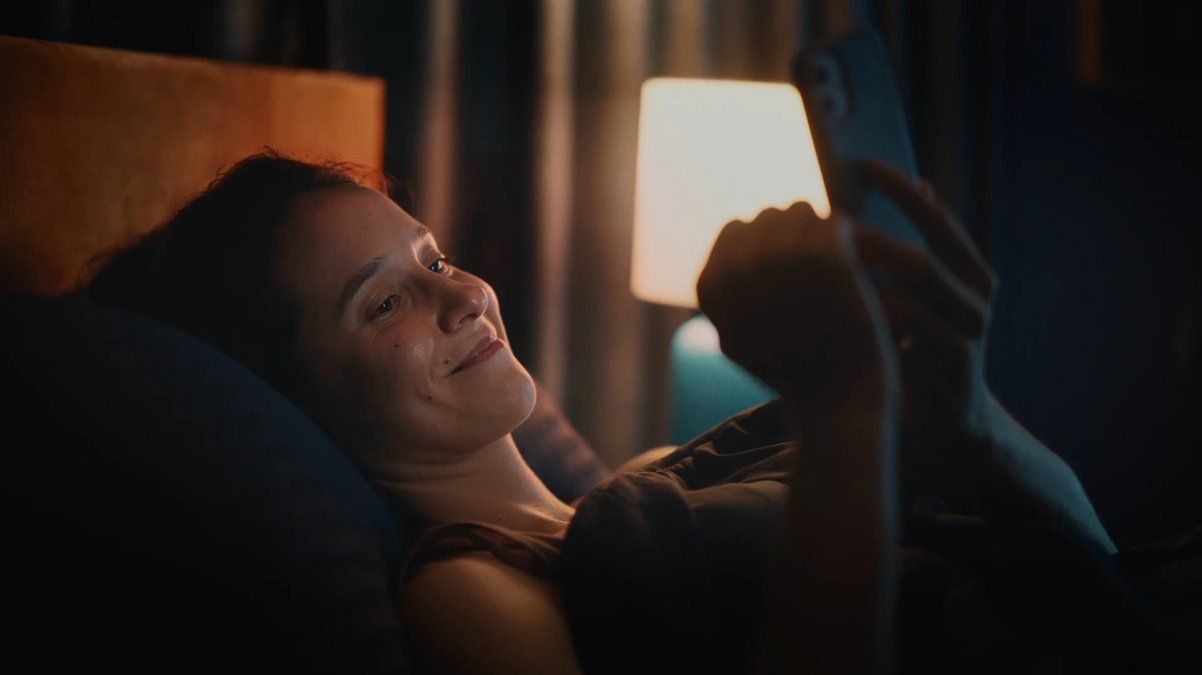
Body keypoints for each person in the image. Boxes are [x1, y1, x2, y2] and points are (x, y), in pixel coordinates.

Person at [83, 151, 1194, 674]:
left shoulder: (652, 476)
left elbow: (1083, 560)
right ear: (299, 403)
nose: (463, 295)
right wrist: (844, 415)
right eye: (385, 302)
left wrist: (963, 415)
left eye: (436, 258)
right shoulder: (470, 590)